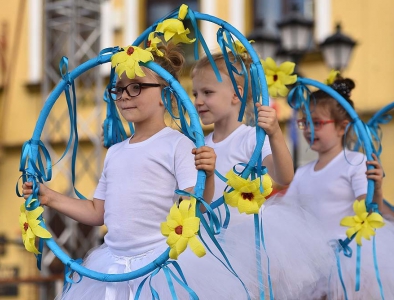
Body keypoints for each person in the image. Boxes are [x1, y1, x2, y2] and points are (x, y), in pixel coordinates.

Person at [22, 43, 256, 299]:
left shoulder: (178, 145)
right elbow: (97, 211)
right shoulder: (115, 152)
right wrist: (50, 197)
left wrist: (208, 175)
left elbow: (195, 206)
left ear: (164, 93)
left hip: (161, 267)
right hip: (113, 264)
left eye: (136, 87)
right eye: (119, 89)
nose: (123, 96)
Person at [191, 51, 337, 300]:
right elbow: (200, 201)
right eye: (195, 93)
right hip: (210, 242)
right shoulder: (200, 145)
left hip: (249, 241)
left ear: (236, 94)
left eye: (207, 93)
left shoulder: (251, 138)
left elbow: (284, 175)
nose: (198, 101)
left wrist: (274, 134)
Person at [285, 76, 394, 299]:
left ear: (342, 128)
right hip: (312, 260)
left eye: (316, 122)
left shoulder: (355, 163)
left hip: (346, 257)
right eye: (304, 122)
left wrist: (376, 191)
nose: (308, 129)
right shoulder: (302, 172)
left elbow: (367, 209)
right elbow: (287, 211)